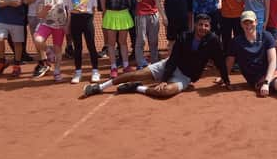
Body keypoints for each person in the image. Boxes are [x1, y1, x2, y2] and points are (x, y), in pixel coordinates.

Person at [83, 13, 229, 98]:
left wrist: (226, 79)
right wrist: (164, 78)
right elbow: (173, 59)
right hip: (170, 65)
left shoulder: (213, 41)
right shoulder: (184, 37)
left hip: (185, 77)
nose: (203, 28)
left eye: (206, 26)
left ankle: (136, 88)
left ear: (210, 27)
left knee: (164, 92)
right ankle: (100, 87)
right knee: (136, 74)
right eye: (200, 24)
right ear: (195, 25)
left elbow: (219, 61)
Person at [99, 0, 134, 78]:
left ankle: (125, 65)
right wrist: (105, 14)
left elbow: (129, 0)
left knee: (123, 42)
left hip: (124, 15)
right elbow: (103, 4)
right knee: (111, 43)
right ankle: (113, 67)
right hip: (110, 15)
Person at [32, 0, 68, 81]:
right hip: (46, 24)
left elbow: (69, 11)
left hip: (60, 25)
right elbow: (39, 15)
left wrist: (67, 25)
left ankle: (57, 71)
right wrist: (45, 9)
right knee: (37, 39)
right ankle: (48, 51)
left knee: (58, 49)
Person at [65, 0, 99, 84]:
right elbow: (68, 10)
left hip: (87, 21)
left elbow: (94, 9)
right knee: (77, 47)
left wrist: (88, 18)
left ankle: (95, 71)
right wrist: (67, 25)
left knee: (91, 46)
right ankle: (78, 71)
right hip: (75, 21)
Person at [134, 0, 160, 67]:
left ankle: (154, 61)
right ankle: (141, 63)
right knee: (141, 39)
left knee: (153, 40)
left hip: (153, 14)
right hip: (141, 15)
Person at [23, 0, 46, 74]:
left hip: (47, 14)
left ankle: (46, 59)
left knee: (41, 39)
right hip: (32, 15)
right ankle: (43, 62)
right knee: (36, 39)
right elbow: (26, 0)